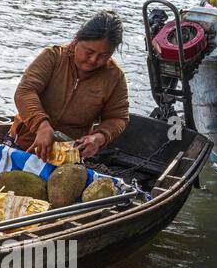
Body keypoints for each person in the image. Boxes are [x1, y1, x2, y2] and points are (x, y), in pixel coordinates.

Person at [10, 11, 130, 161]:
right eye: (89, 52)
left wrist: (98, 138)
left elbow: (118, 117)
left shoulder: (114, 77)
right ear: (76, 41)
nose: (93, 60)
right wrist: (42, 126)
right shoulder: (53, 57)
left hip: (67, 155)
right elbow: (25, 91)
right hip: (23, 145)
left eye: (103, 56)